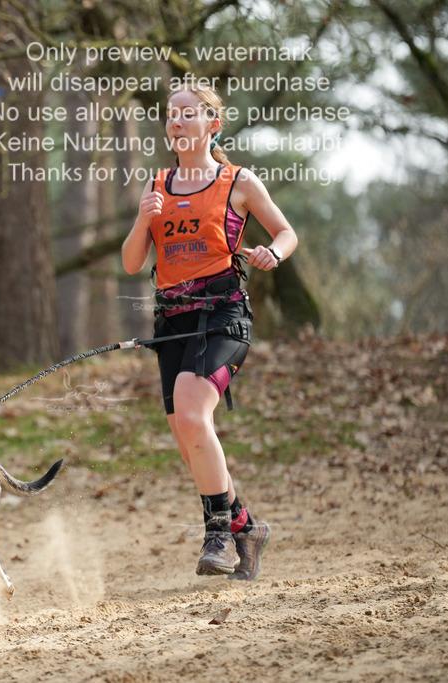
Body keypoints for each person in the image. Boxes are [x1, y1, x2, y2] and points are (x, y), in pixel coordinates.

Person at [121, 84, 298, 580]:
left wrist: (272, 253)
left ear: (210, 124)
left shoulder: (238, 181)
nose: (174, 123)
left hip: (223, 315)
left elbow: (286, 232)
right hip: (171, 324)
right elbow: (134, 262)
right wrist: (142, 221)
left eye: (186, 114)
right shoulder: (157, 185)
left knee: (192, 410)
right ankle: (247, 527)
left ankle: (217, 533)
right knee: (187, 431)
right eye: (169, 116)